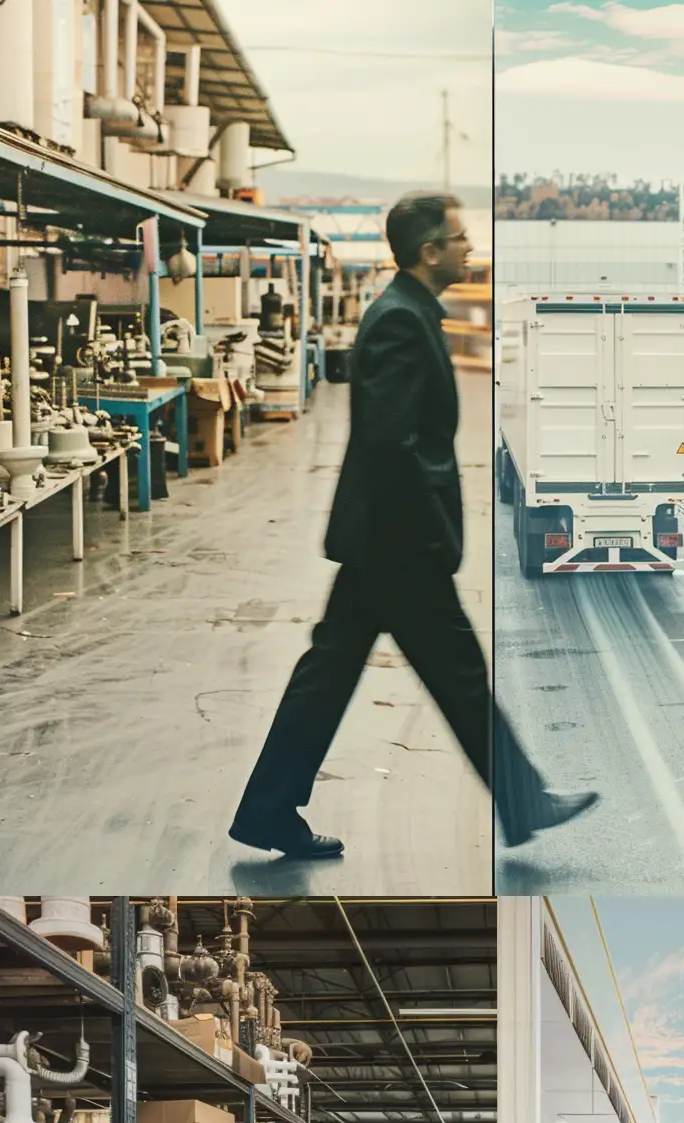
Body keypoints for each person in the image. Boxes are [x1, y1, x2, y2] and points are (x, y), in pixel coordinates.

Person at [230, 192, 596, 861]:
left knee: (330, 673)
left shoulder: (409, 312)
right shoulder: (401, 320)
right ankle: (522, 799)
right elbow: (392, 441)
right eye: (460, 239)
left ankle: (268, 812)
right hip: (399, 541)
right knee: (453, 669)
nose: (468, 249)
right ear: (430, 251)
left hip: (382, 539)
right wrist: (432, 534)